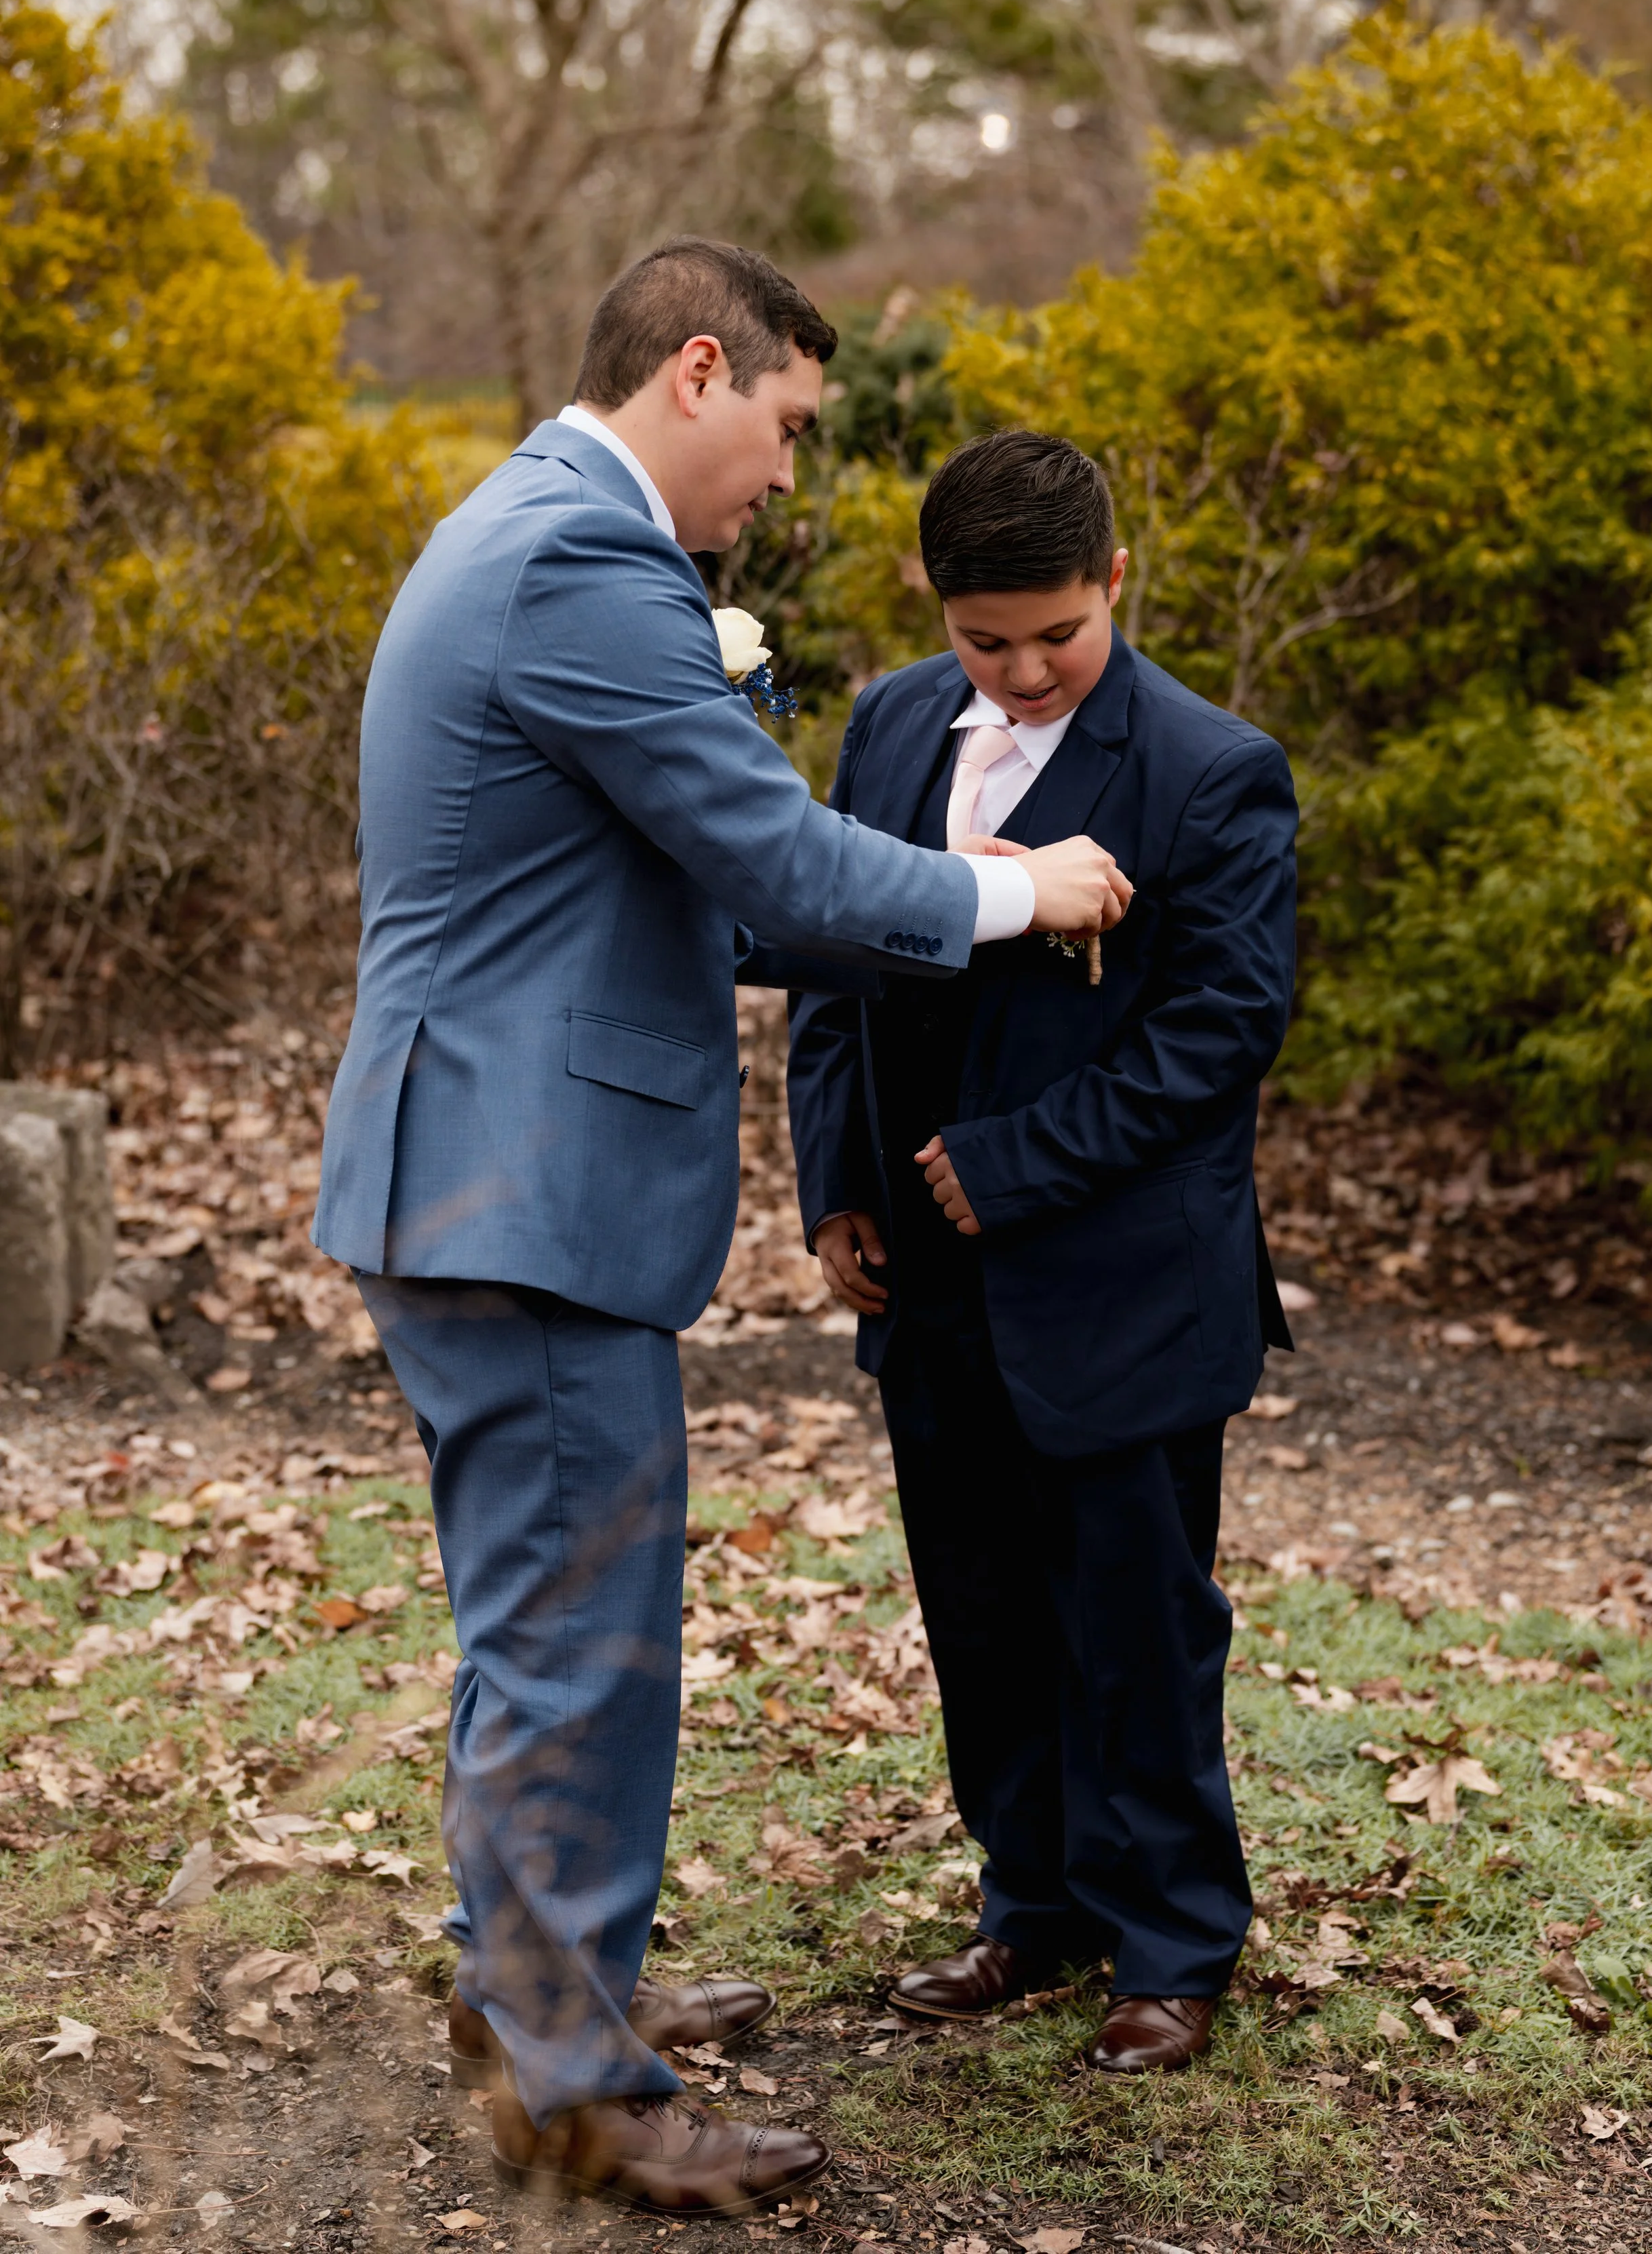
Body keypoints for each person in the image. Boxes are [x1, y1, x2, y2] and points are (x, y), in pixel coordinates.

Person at [312, 245, 1130, 2216]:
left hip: (474, 1170)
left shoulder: (523, 528)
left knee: (538, 1623)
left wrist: (927, 874)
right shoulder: (583, 564)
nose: (781, 476)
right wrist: (1017, 898)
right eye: (780, 427)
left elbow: (692, 883)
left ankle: (527, 1979)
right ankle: (580, 2084)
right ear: (701, 368)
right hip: (520, 1190)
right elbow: (763, 845)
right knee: (585, 1637)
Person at [786, 428, 1298, 2076]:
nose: (1017, 671)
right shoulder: (878, 728)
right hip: (926, 1284)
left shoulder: (1210, 771)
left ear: (1115, 585)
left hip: (1117, 1288)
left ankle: (1171, 1940)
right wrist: (833, 1186)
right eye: (981, 640)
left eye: (1053, 637)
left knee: (1132, 1617)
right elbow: (828, 972)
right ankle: (1033, 1906)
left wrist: (1006, 1164)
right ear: (934, 610)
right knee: (981, 1609)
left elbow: (1220, 1032)